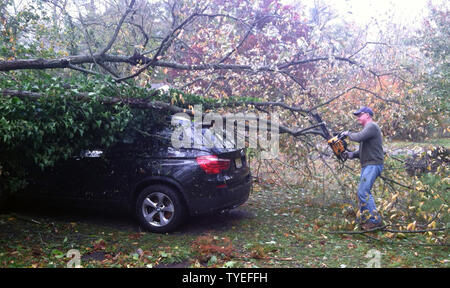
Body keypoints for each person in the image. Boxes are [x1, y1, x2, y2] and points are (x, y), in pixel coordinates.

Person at [341, 106, 384, 230]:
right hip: (368, 164)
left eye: (360, 115)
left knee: (363, 192)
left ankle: (375, 221)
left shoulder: (371, 126)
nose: (358, 118)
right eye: (357, 115)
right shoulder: (368, 129)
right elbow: (362, 150)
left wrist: (347, 134)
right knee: (362, 192)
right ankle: (365, 220)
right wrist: (351, 154)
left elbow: (358, 137)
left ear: (368, 115)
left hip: (373, 164)